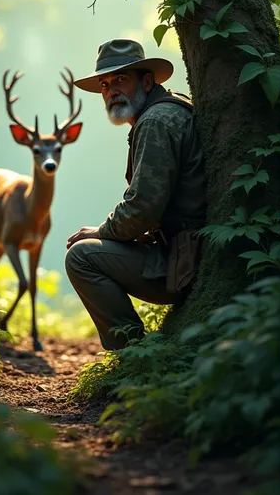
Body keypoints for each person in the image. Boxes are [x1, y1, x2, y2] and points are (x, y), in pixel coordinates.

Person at [65, 38, 207, 350]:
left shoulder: (155, 121)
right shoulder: (166, 110)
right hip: (188, 252)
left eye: (121, 79)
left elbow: (142, 208)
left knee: (81, 256)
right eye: (104, 83)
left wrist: (101, 231)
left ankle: (131, 353)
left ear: (146, 81)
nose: (111, 90)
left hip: (187, 261)